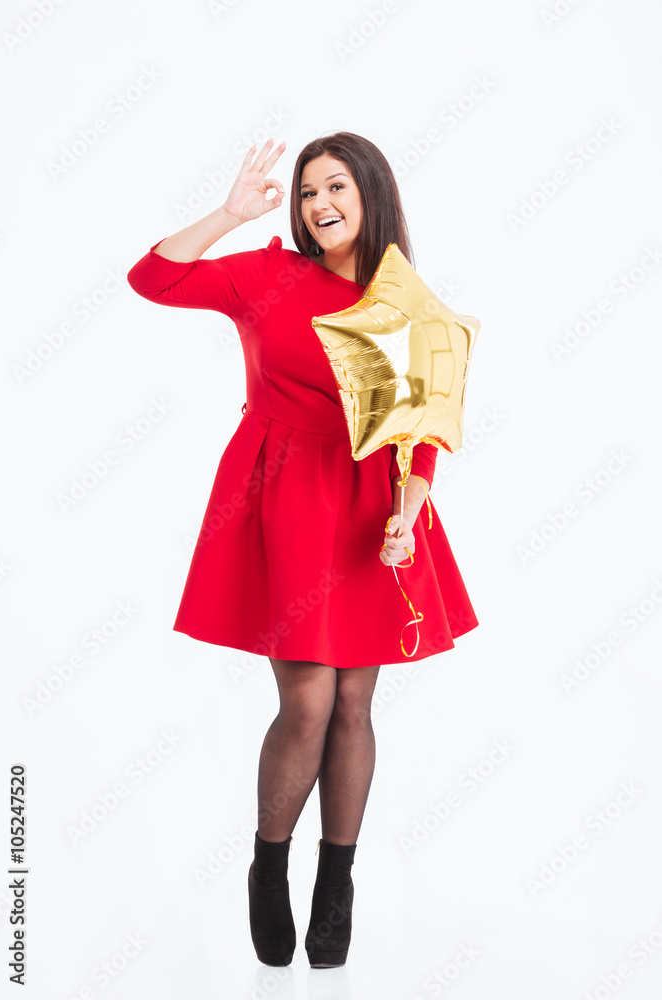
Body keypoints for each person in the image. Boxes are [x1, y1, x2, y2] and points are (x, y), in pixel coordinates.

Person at [126, 131, 479, 969]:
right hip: (284, 492)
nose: (319, 203)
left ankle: (336, 883)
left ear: (371, 195)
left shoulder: (405, 302)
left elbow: (422, 431)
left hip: (372, 506)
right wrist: (228, 214)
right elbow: (153, 279)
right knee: (310, 700)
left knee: (355, 702)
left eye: (337, 187)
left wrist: (408, 512)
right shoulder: (267, 274)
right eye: (308, 190)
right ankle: (268, 864)